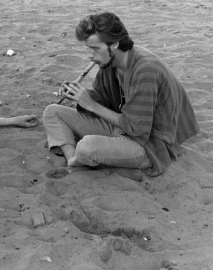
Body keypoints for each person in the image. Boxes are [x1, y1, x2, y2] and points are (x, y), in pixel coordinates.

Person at [42, 11, 199, 178]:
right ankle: (74, 159)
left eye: (95, 48)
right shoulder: (110, 62)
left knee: (87, 147)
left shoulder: (145, 70)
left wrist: (91, 105)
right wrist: (79, 95)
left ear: (115, 44)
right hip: (122, 127)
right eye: (88, 48)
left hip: (149, 143)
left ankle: (78, 160)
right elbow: (103, 98)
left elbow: (136, 129)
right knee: (52, 111)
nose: (90, 55)